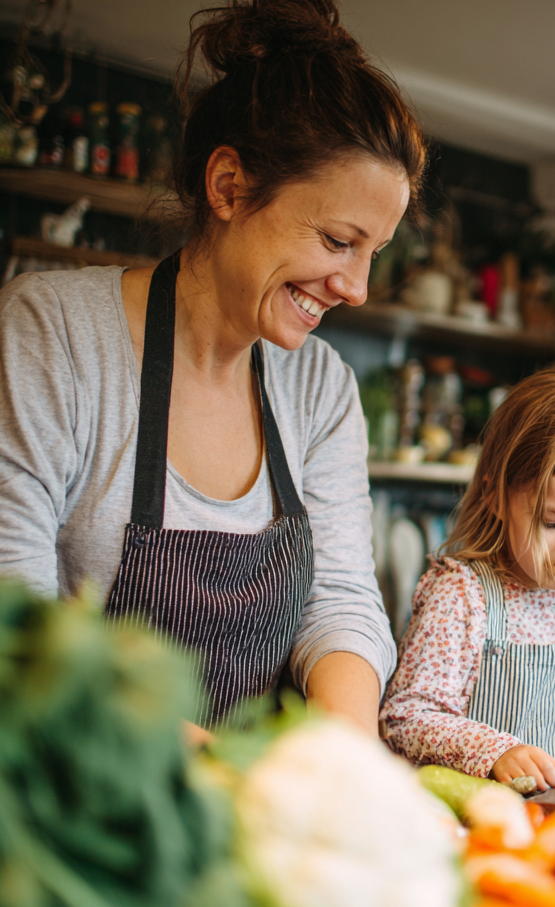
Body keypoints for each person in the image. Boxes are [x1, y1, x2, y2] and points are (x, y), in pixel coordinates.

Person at [0, 0, 425, 733]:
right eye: (335, 240)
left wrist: (341, 758)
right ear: (228, 186)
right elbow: (16, 610)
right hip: (82, 786)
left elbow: (343, 602)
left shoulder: (320, 390)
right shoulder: (53, 331)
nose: (355, 288)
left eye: (372, 254)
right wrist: (173, 756)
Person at [380, 368, 555, 790]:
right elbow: (405, 717)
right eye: (551, 521)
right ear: (496, 496)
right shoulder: (461, 596)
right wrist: (496, 752)